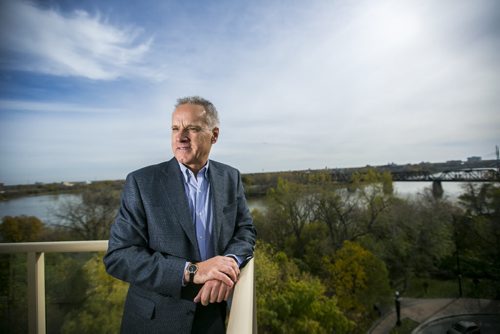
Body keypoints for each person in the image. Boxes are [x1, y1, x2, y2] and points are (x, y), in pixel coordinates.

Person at [104, 96, 256, 334]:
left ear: (214, 135)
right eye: (175, 128)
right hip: (155, 322)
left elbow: (244, 231)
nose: (180, 136)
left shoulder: (230, 177)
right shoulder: (142, 182)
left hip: (212, 315)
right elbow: (119, 256)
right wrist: (193, 271)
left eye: (192, 128)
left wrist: (226, 266)